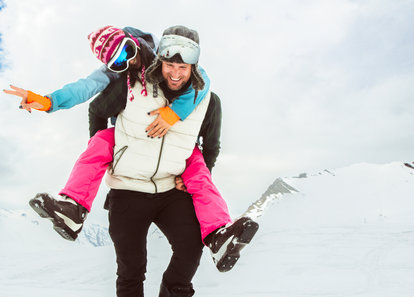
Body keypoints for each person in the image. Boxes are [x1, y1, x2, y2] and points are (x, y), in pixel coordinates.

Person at [4, 26, 258, 278]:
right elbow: (86, 88)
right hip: (132, 141)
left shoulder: (169, 56)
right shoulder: (126, 81)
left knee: (199, 172)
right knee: (100, 145)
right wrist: (50, 102)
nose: (129, 61)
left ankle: (218, 235)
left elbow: (203, 80)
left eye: (128, 51)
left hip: (179, 151)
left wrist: (173, 113)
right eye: (117, 63)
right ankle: (74, 208)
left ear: (136, 42)